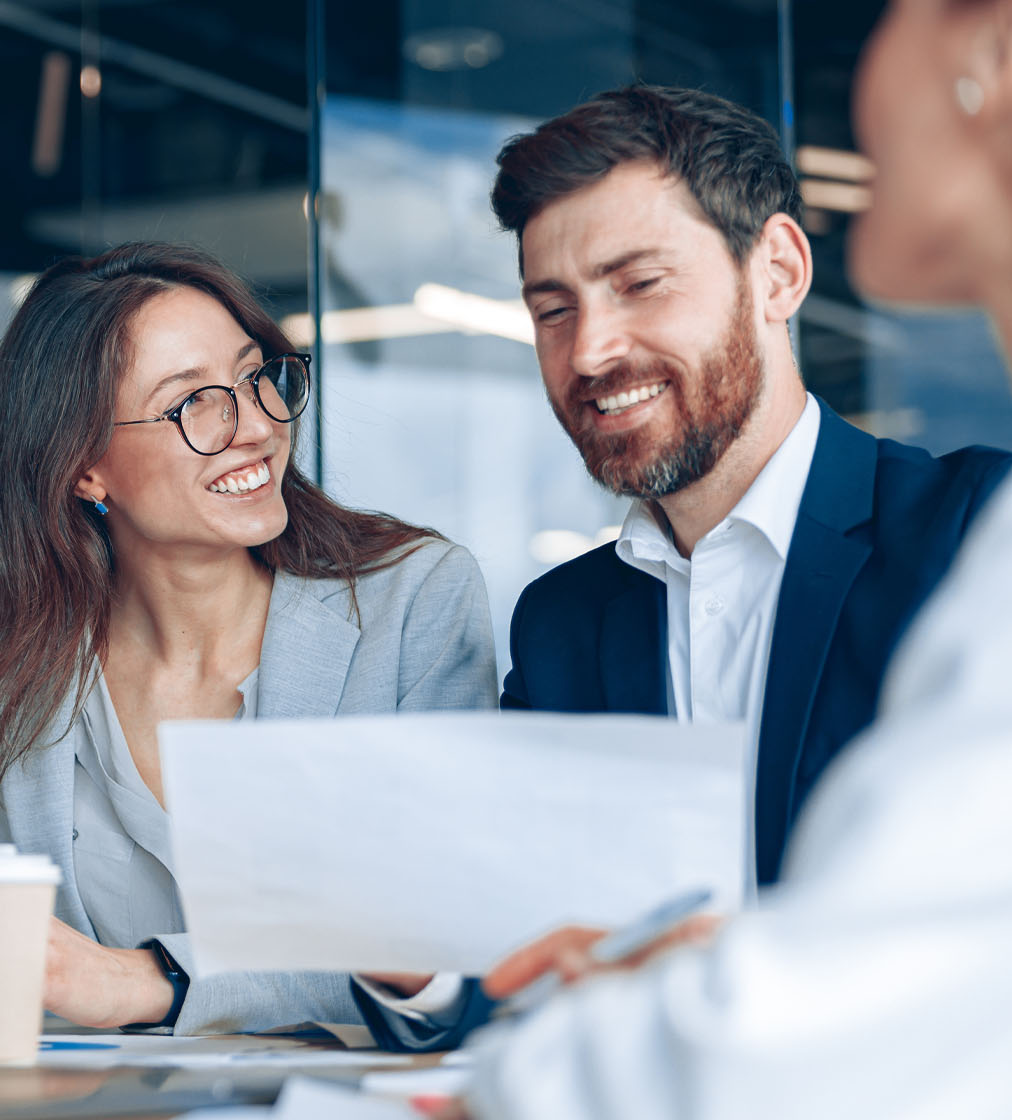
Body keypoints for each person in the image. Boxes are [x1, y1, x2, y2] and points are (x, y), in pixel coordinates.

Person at [356, 82, 1012, 1055]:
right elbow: (522, 960)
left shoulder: (971, 540)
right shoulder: (562, 623)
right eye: (551, 308)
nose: (589, 349)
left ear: (778, 272)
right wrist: (425, 961)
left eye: (639, 283)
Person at [0, 242, 498, 1036]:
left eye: (256, 377)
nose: (256, 427)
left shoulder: (413, 601)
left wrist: (154, 981)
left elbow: (446, 959)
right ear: (85, 467)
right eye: (194, 403)